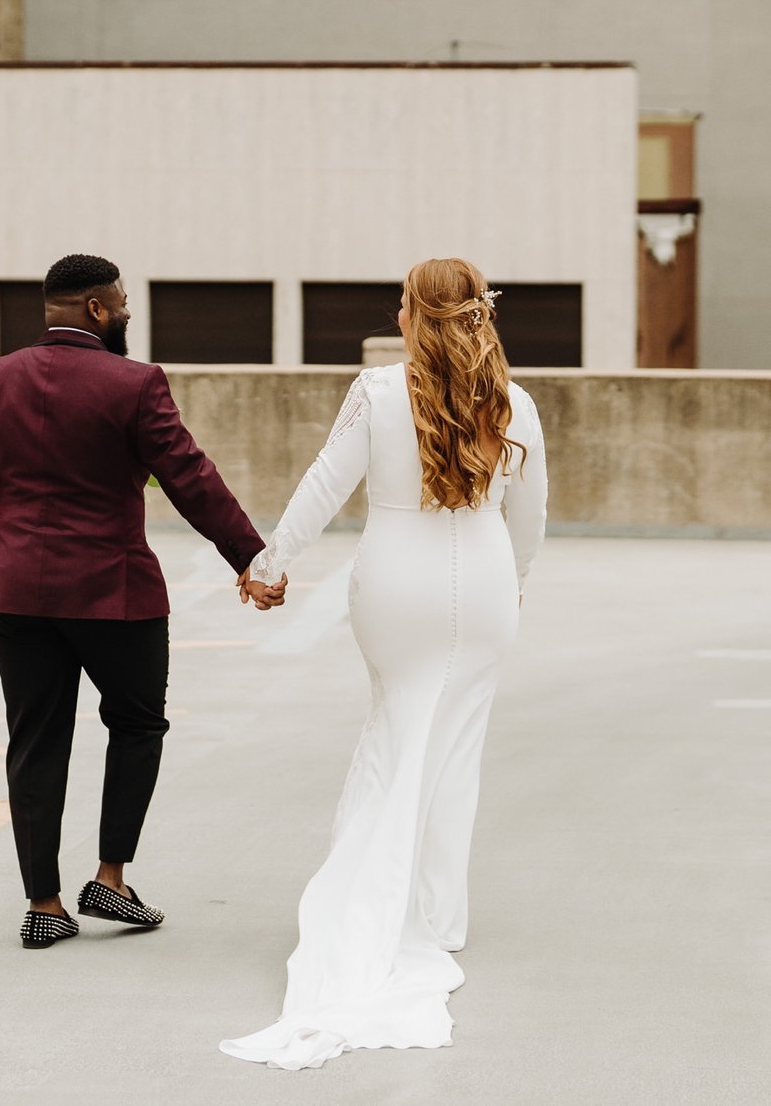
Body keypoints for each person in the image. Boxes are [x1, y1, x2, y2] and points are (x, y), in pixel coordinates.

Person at [221, 256, 549, 1070]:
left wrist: (269, 562)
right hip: (481, 583)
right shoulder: (516, 403)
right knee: (454, 751)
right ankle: (437, 918)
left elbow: (323, 486)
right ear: (482, 314)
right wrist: (514, 589)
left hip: (394, 583)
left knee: (396, 728)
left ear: (409, 315)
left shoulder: (375, 393)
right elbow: (530, 520)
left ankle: (384, 903)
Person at [0, 253, 289, 951]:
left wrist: (24, 522)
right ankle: (110, 876)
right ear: (97, 309)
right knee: (136, 723)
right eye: (124, 302)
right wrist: (250, 559)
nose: (129, 312)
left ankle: (43, 902)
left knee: (34, 740)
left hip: (17, 590)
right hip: (115, 591)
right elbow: (189, 476)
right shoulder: (135, 382)